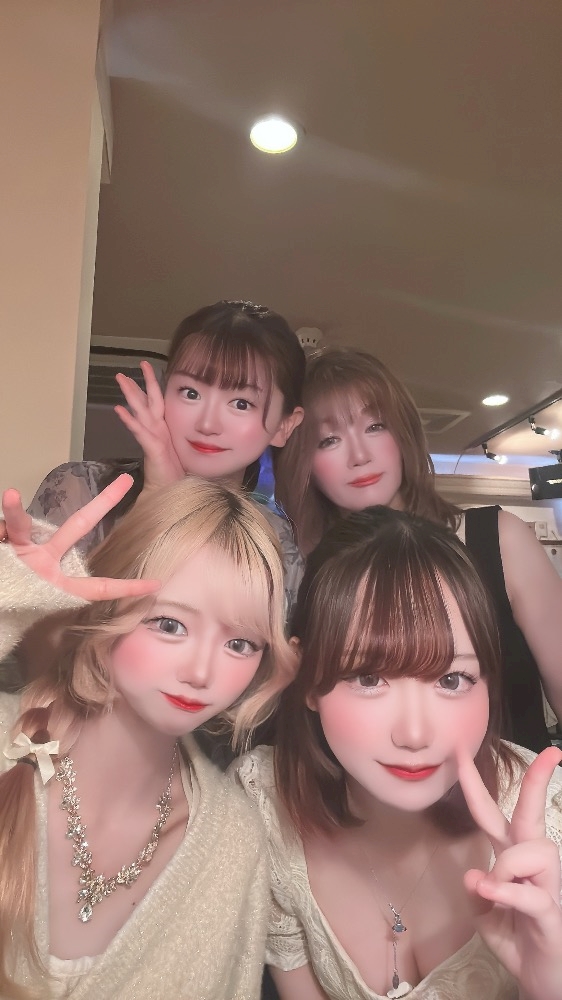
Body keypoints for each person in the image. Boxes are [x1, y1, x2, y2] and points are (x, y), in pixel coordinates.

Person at [234, 507, 562, 1000]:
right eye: (368, 678)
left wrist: (549, 986)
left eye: (452, 680)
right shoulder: (264, 806)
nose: (414, 734)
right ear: (307, 678)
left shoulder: (551, 823)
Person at [0, 474, 297, 999]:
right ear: (106, 602)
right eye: (169, 625)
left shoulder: (233, 839)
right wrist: (10, 601)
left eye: (240, 643)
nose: (202, 673)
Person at [276, 346, 562, 753]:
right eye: (329, 440)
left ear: (403, 433)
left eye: (375, 426)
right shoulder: (305, 577)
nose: (359, 456)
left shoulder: (498, 539)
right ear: (302, 461)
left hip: (514, 787)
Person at [28, 299, 305, 610]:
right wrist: (158, 498)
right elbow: (33, 632)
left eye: (241, 403)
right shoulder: (79, 490)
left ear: (284, 426)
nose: (207, 424)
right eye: (191, 393)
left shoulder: (274, 541)